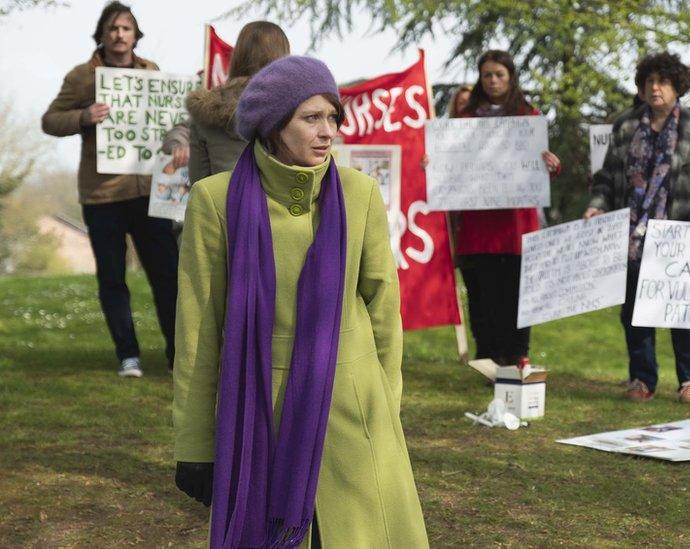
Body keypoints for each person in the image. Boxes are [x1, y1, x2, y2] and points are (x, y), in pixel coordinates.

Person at [171, 56, 428, 548]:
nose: (328, 131)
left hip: (354, 411)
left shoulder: (360, 194)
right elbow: (198, 332)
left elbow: (384, 314)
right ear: (273, 124)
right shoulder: (214, 200)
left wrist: (385, 409)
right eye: (311, 118)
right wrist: (195, 444)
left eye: (333, 117)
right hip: (257, 413)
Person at [41, 1, 177, 378]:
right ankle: (128, 356)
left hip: (150, 192)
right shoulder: (83, 76)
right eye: (113, 28)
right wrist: (83, 117)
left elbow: (168, 121)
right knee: (113, 279)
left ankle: (178, 354)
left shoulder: (152, 72)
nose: (120, 34)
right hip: (102, 196)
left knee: (168, 276)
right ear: (101, 33)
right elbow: (50, 120)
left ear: (136, 35)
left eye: (126, 28)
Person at [586, 52, 690, 403]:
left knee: (684, 311)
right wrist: (596, 205)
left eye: (662, 81)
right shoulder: (625, 126)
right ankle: (642, 379)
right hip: (633, 235)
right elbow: (606, 178)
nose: (655, 88)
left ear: (678, 86)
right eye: (649, 81)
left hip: (682, 234)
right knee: (634, 312)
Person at [450, 50, 561, 366]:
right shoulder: (465, 121)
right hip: (477, 226)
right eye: (487, 75)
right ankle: (486, 357)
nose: (493, 80)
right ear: (480, 79)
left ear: (510, 77)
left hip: (515, 227)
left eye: (499, 74)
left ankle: (516, 355)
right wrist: (436, 163)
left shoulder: (529, 116)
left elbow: (540, 164)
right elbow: (451, 165)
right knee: (482, 293)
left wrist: (551, 165)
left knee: (515, 293)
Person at [161, 21, 291, 183]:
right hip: (281, 206)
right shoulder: (297, 107)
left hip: (224, 205)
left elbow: (199, 184)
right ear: (284, 58)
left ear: (237, 56)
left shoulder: (207, 107)